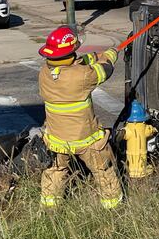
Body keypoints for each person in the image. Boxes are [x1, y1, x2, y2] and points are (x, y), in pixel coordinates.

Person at [38, 26, 123, 209]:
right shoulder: (83, 76)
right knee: (102, 171)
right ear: (70, 53)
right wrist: (109, 54)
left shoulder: (44, 73)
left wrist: (91, 56)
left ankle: (49, 207)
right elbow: (105, 70)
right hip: (85, 139)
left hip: (57, 139)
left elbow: (73, 64)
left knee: (56, 171)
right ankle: (113, 207)